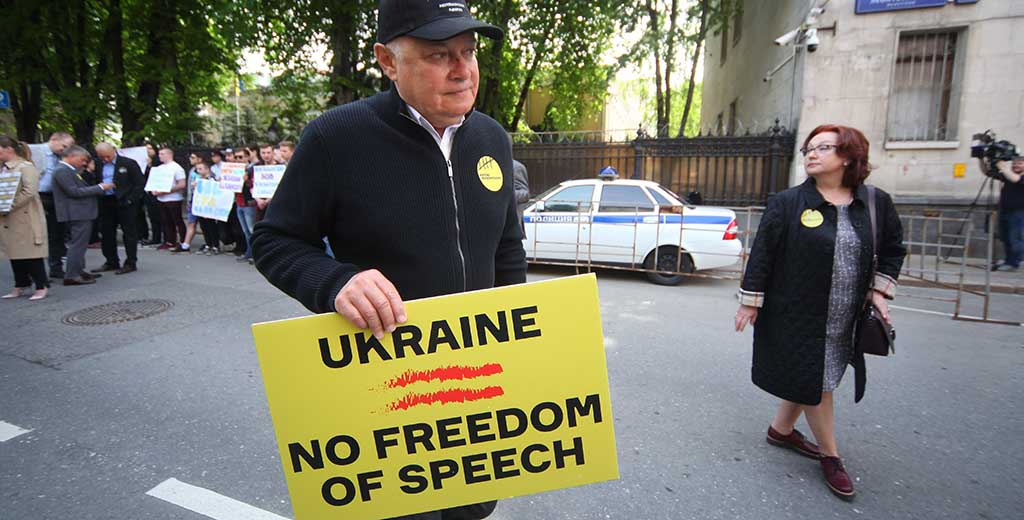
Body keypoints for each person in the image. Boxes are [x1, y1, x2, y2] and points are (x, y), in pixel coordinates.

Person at [251, 2, 522, 519]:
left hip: (477, 386)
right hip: (386, 389)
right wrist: (335, 281)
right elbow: (275, 240)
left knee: (472, 510)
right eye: (439, 55)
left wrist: (520, 344)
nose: (462, 70)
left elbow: (507, 246)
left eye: (468, 52)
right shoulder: (335, 138)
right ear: (388, 61)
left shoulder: (492, 138)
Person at [734, 124, 905, 500]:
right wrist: (750, 301)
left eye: (823, 147)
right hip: (796, 314)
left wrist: (879, 291)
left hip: (846, 315)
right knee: (819, 380)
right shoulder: (788, 203)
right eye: (808, 149)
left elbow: (894, 249)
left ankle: (781, 430)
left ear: (848, 156)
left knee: (811, 374)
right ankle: (831, 456)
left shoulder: (875, 203)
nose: (812, 154)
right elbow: (763, 253)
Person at [51, 146, 115, 285]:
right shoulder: (62, 170)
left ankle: (78, 270)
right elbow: (74, 192)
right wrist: (100, 188)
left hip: (80, 212)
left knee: (81, 244)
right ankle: (72, 275)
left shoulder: (70, 170)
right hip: (76, 212)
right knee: (77, 245)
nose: (84, 163)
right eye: (82, 160)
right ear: (72, 156)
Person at [0, 137, 49, 300]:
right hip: (8, 217)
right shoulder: (4, 168)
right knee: (14, 251)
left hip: (25, 215)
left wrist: (9, 205)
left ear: (8, 149)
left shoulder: (26, 167)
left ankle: (41, 285)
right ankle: (21, 283)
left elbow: (29, 191)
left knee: (30, 252)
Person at [92, 142, 145, 274]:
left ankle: (130, 262)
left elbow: (139, 183)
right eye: (102, 157)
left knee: (129, 233)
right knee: (107, 233)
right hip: (106, 201)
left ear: (114, 151)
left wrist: (131, 199)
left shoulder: (128, 163)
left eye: (108, 156)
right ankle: (111, 261)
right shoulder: (97, 164)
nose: (106, 159)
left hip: (124, 201)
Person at [36, 132, 75, 278]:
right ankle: (34, 272)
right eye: (64, 146)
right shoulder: (36, 151)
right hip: (38, 195)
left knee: (56, 233)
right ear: (53, 140)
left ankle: (56, 267)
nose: (64, 150)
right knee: (37, 235)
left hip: (56, 197)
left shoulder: (62, 157)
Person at [984, 156, 1024, 271]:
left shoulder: (1016, 177)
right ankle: (1009, 261)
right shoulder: (1008, 175)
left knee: (1015, 239)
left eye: (1020, 163)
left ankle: (1014, 263)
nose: (1016, 165)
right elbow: (988, 173)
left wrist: (1002, 166)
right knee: (1006, 239)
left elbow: (1016, 179)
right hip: (1004, 211)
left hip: (1019, 213)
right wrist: (980, 159)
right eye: (1014, 163)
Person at [149, 147, 188, 251]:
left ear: (169, 155)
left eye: (162, 154)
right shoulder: (159, 168)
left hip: (173, 198)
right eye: (159, 154)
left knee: (177, 220)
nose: (159, 156)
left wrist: (166, 190)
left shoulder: (177, 168)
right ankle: (170, 241)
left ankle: (183, 241)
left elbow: (182, 184)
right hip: (161, 199)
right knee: (166, 221)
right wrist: (153, 189)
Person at [191, 160, 222, 255]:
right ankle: (208, 244)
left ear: (207, 169)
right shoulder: (198, 180)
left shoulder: (211, 180)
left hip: (210, 207)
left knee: (211, 226)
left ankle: (215, 245)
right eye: (197, 169)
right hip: (201, 206)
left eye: (200, 169)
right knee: (204, 226)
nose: (198, 171)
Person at [140, 143, 163, 246]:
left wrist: (150, 166)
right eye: (146, 149)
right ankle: (155, 237)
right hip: (147, 191)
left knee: (158, 216)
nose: (148, 151)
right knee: (152, 216)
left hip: (157, 191)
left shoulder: (158, 161)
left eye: (150, 148)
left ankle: (161, 237)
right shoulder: (142, 161)